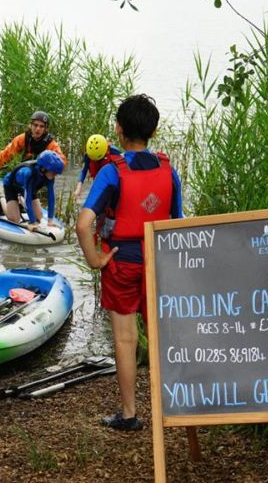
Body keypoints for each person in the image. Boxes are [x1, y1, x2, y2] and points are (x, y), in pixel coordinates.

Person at [75, 94, 182, 431]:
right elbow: (176, 223)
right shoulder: (169, 170)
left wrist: (95, 259)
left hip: (121, 264)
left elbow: (83, 224)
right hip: (157, 264)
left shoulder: (112, 172)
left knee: (125, 339)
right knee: (161, 336)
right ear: (154, 129)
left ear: (118, 130)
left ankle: (130, 414)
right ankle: (176, 407)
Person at [0, 150, 64, 233]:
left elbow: (51, 197)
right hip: (11, 185)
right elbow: (28, 198)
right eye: (53, 173)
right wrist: (32, 222)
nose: (55, 175)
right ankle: (1, 199)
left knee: (39, 216)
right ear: (43, 169)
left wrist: (50, 220)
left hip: (29, 188)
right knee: (14, 219)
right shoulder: (28, 173)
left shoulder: (49, 176)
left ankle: (19, 200)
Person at [0, 110, 68, 176]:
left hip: (43, 173)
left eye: (41, 126)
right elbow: (6, 154)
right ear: (30, 125)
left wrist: (51, 170)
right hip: (26, 169)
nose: (38, 129)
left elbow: (62, 161)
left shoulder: (50, 143)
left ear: (45, 129)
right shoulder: (23, 138)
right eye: (35, 125)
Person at [72, 133, 121, 201]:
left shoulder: (114, 152)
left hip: (111, 184)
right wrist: (78, 189)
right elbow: (84, 171)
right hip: (97, 182)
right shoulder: (89, 154)